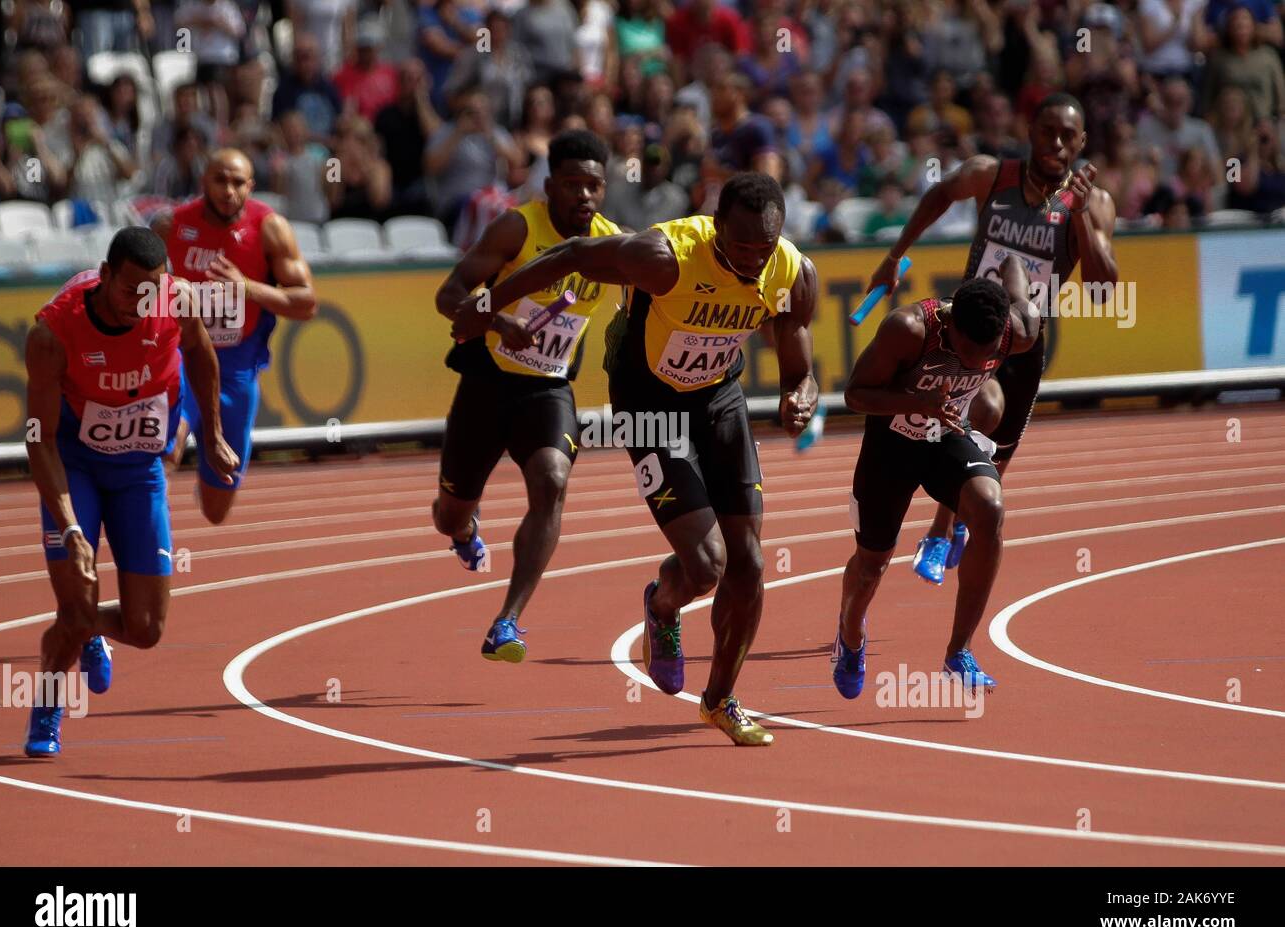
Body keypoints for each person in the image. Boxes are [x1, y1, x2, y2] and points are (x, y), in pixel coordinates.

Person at [459, 172, 819, 746]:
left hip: (720, 399)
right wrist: (485, 304)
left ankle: (721, 700)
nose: (754, 259)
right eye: (743, 245)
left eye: (765, 247)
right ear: (716, 226)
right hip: (651, 404)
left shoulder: (791, 272)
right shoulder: (666, 256)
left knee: (748, 563)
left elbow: (799, 355)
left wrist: (799, 394)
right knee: (706, 565)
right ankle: (663, 604)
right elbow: (571, 255)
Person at [866, 91, 1118, 585]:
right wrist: (896, 254)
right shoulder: (991, 175)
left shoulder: (1096, 203)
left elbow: (1104, 289)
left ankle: (947, 527)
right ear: (1030, 131)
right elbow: (940, 194)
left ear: (1082, 141)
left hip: (1024, 342)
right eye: (1048, 131)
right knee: (984, 408)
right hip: (971, 331)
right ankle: (939, 534)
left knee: (993, 462)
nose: (1057, 143)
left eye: (1069, 135)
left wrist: (1083, 215)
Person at [22, 227, 239, 756]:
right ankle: (48, 707)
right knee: (75, 598)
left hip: (139, 468)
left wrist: (210, 434)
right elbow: (39, 439)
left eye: (152, 291)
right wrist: (70, 526)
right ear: (104, 274)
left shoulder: (178, 302)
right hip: (76, 464)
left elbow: (204, 360)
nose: (142, 303)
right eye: (130, 291)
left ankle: (85, 628)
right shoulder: (55, 332)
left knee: (145, 629)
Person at [436, 130, 621, 663]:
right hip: (487, 385)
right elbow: (449, 295)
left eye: (594, 186)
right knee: (449, 514)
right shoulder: (518, 227)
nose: (584, 196)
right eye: (572, 185)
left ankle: (507, 621)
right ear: (549, 187)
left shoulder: (610, 244)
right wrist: (497, 320)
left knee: (552, 481)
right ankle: (464, 528)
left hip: (548, 389)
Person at [834, 255, 1040, 697]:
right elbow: (855, 394)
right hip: (892, 443)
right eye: (967, 353)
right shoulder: (910, 329)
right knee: (871, 566)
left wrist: (1010, 264)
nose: (976, 363)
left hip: (945, 435)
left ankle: (958, 651)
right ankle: (850, 634)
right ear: (951, 326)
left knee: (990, 508)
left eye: (987, 356)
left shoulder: (1017, 331)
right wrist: (916, 402)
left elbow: (1017, 278)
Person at [155, 148, 317, 524]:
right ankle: (148, 546)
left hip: (235, 369)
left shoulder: (269, 228)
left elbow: (306, 303)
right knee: (168, 445)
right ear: (203, 183)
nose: (229, 191)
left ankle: (204, 482)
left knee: (217, 508)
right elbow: (136, 291)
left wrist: (248, 288)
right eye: (220, 181)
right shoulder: (169, 227)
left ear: (251, 186)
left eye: (238, 183)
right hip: (181, 357)